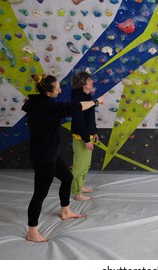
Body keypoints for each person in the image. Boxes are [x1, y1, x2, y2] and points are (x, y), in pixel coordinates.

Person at [22, 74, 104, 242]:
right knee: (40, 194)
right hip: (43, 156)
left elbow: (71, 107)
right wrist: (96, 102)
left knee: (67, 177)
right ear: (48, 92)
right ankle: (32, 231)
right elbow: (75, 107)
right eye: (57, 88)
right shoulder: (47, 106)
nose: (60, 89)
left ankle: (65, 211)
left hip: (50, 152)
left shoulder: (40, 102)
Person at [70, 72, 98, 201]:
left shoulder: (87, 97)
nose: (92, 81)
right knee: (79, 166)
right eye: (89, 80)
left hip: (88, 135)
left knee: (86, 164)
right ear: (82, 84)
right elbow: (79, 121)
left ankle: (80, 186)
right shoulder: (78, 99)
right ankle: (77, 193)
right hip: (81, 137)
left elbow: (89, 119)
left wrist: (94, 132)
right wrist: (87, 139)